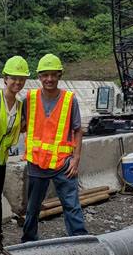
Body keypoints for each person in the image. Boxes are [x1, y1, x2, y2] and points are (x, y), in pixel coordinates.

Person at [21, 53, 87, 243]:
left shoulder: (69, 100)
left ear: (59, 75)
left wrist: (76, 159)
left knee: (71, 204)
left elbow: (77, 130)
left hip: (62, 163)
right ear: (39, 76)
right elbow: (22, 124)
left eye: (53, 74)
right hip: (36, 162)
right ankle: (28, 239)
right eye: (45, 75)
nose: (49, 79)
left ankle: (79, 239)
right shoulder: (30, 98)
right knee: (33, 207)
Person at [0, 55, 29, 244]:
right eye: (14, 78)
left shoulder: (20, 105)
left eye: (21, 79)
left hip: (1, 158)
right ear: (5, 79)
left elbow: (19, 128)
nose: (17, 82)